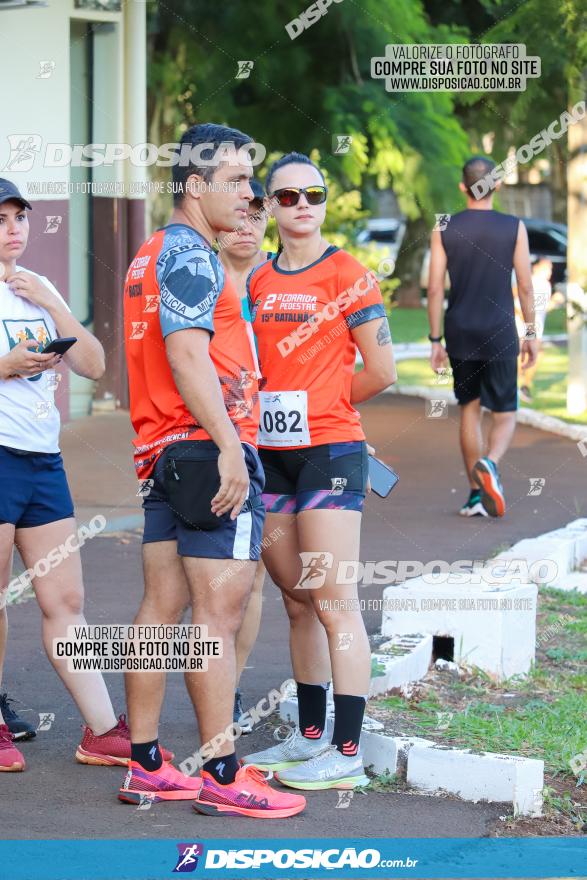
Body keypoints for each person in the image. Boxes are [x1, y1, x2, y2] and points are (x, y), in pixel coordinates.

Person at [121, 124, 305, 819]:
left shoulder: (148, 255)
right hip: (206, 452)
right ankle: (223, 775)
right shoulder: (193, 255)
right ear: (194, 187)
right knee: (216, 619)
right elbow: (187, 356)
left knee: (160, 609)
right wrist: (230, 445)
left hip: (164, 454)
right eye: (235, 181)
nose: (250, 195)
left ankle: (144, 765)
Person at [242, 152, 396, 790]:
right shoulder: (256, 281)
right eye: (287, 196)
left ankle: (348, 751)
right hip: (273, 459)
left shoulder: (350, 275)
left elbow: (383, 372)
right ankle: (309, 739)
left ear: (326, 202)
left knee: (334, 601)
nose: (302, 204)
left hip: (331, 453)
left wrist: (325, 406)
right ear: (270, 208)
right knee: (297, 600)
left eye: (314, 193)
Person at [0, 178, 161, 772]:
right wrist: (6, 366)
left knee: (66, 598)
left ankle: (100, 732)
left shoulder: (36, 290)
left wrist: (55, 305)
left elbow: (94, 365)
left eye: (19, 217)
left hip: (43, 462)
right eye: (1, 219)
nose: (14, 228)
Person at [427, 156, 537, 518]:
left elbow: (434, 288)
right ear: (498, 186)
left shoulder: (444, 226)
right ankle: (490, 462)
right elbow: (524, 284)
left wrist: (434, 339)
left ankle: (475, 495)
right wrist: (531, 332)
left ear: (463, 187)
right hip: (499, 329)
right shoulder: (513, 226)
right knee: (505, 413)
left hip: (460, 330)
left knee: (469, 411)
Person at [218, 179, 272, 734]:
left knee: (250, 579)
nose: (248, 225)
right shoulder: (200, 278)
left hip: (272, 446)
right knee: (192, 582)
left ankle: (229, 690)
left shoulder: (276, 283)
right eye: (241, 213)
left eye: (259, 216)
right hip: (208, 447)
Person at [516, 258, 552, 404]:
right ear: (536, 268)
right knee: (521, 356)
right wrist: (527, 326)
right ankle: (515, 385)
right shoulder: (529, 281)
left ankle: (524, 386)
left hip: (537, 327)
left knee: (537, 355)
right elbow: (517, 303)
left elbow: (541, 309)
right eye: (546, 267)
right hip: (523, 327)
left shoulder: (546, 285)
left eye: (550, 268)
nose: (549, 271)